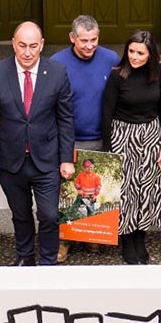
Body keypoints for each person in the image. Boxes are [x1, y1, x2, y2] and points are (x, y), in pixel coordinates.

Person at [0, 21, 74, 266]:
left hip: (47, 159)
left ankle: (48, 261)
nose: (28, 52)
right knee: (20, 215)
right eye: (22, 45)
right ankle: (25, 258)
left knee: (49, 215)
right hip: (12, 160)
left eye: (33, 46)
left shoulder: (57, 72)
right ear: (13, 44)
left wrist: (66, 158)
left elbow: (65, 118)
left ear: (42, 45)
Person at [51, 15, 120, 262]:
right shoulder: (57, 63)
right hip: (69, 139)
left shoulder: (111, 59)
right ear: (72, 38)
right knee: (68, 192)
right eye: (83, 41)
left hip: (101, 137)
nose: (90, 45)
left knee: (95, 192)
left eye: (94, 40)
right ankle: (64, 240)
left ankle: (93, 237)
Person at [101, 30, 161, 265]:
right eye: (131, 51)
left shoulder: (159, 72)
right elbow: (106, 113)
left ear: (150, 54)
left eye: (140, 53)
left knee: (146, 188)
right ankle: (127, 239)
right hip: (123, 134)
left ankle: (141, 236)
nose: (135, 56)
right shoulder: (117, 75)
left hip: (150, 135)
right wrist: (110, 149)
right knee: (127, 191)